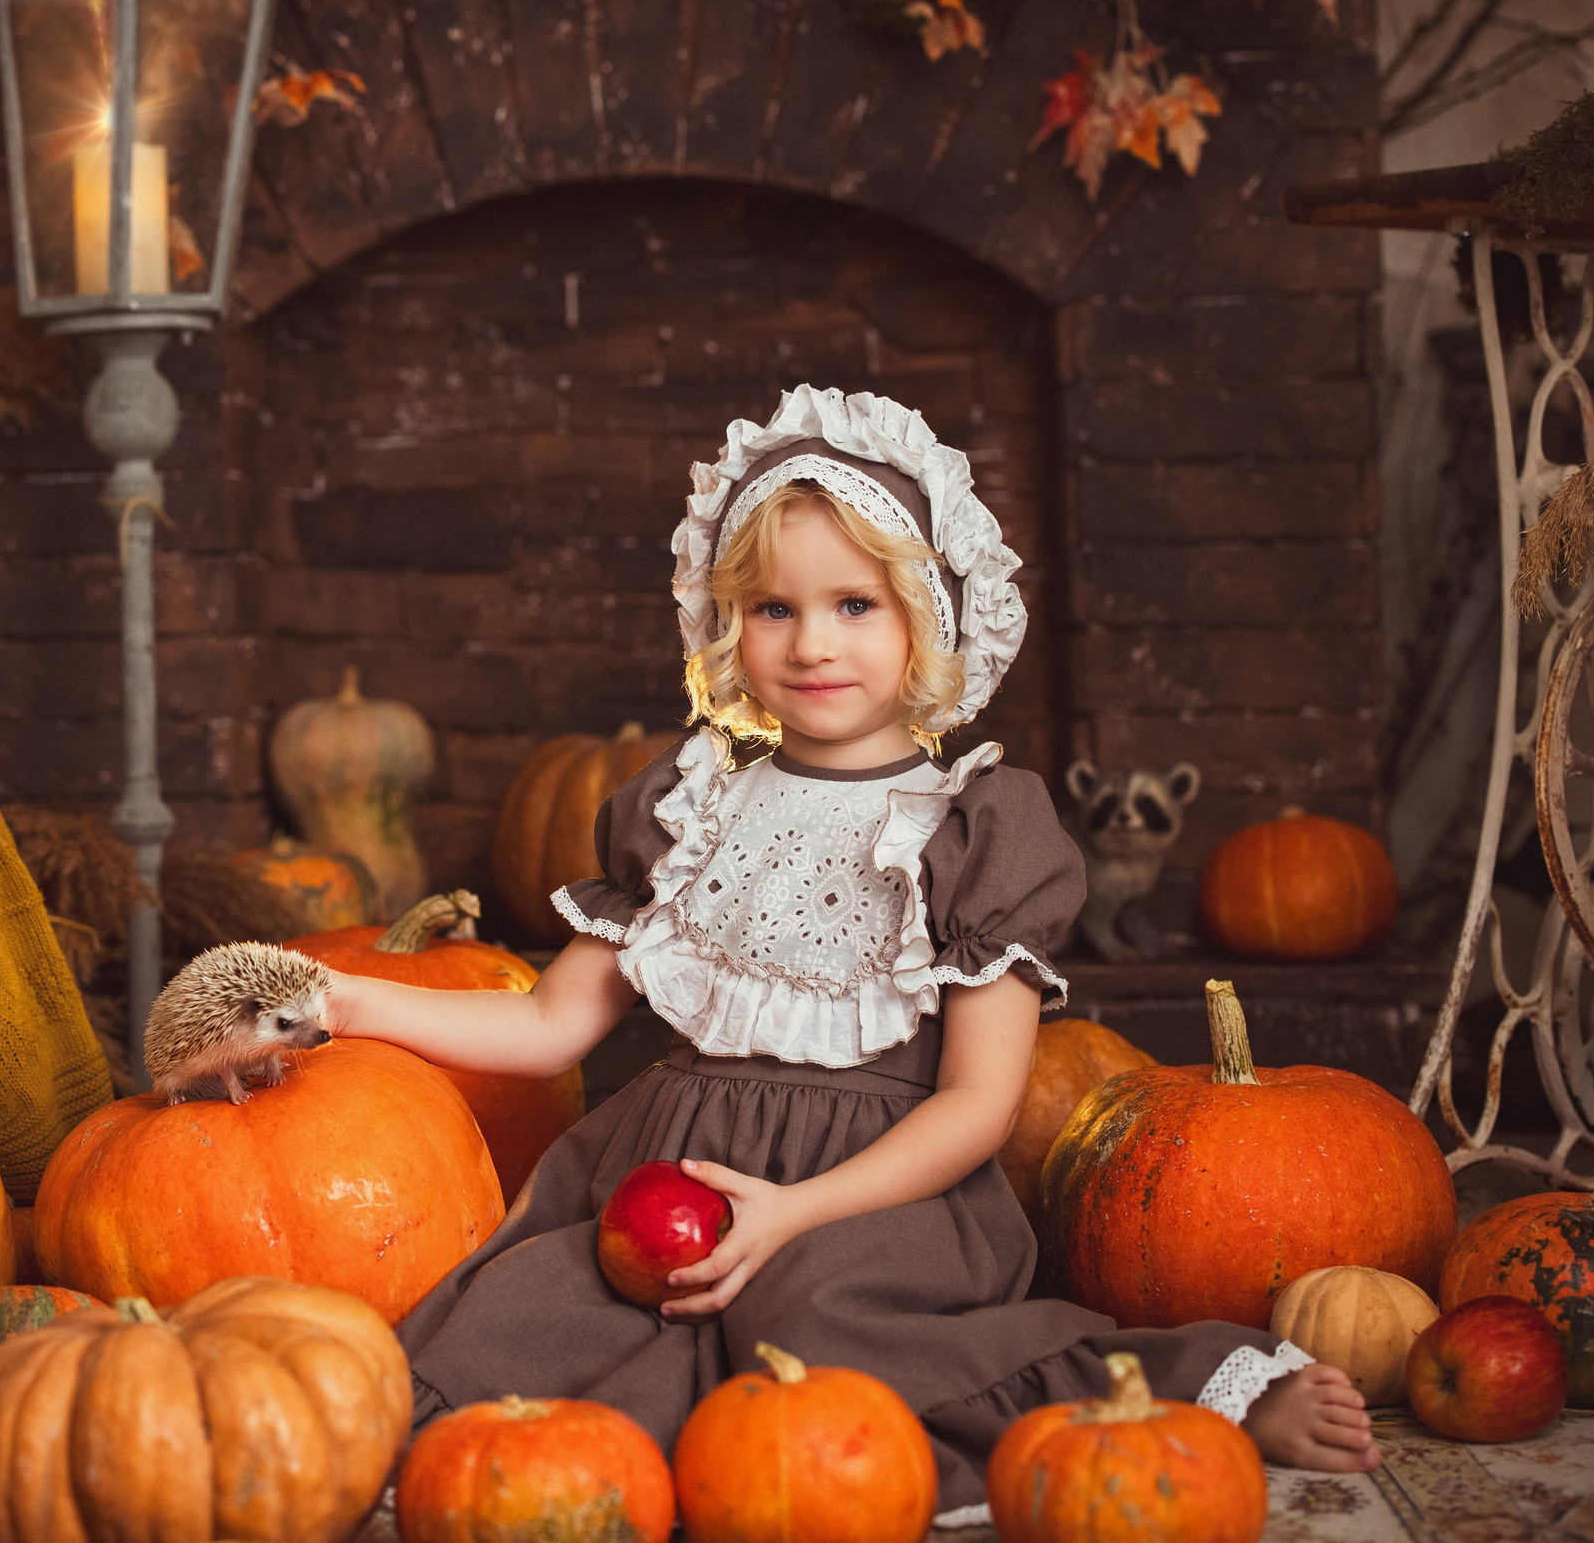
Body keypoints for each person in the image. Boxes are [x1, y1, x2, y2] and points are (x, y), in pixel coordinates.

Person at [326, 386, 1378, 1523]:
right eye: (774, 607)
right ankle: (624, 1453)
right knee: (531, 1301)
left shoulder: (976, 825)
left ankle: (1183, 1390)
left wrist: (795, 1211)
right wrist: (336, 997)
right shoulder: (684, 811)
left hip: (878, 1190)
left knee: (816, 1317)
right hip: (667, 1176)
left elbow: (979, 1103)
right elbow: (546, 1027)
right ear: (726, 624)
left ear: (928, 617)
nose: (813, 641)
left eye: (855, 603)